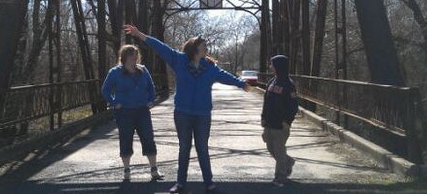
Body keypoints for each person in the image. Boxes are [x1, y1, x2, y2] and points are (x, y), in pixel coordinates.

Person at [124, 24, 250, 193]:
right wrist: (140, 35)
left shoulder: (210, 68)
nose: (207, 48)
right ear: (195, 48)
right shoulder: (179, 60)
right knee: (184, 147)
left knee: (202, 148)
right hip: (182, 113)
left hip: (203, 115)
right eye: (204, 45)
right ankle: (180, 183)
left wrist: (241, 83)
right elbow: (161, 47)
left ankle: (208, 182)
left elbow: (225, 76)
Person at [101, 44, 164, 181]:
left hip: (142, 111)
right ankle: (127, 170)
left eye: (136, 55)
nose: (134, 58)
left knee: (148, 138)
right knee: (125, 139)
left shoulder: (143, 70)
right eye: (131, 55)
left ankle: (154, 169)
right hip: (124, 112)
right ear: (124, 57)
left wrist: (151, 100)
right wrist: (113, 103)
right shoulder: (115, 72)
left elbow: (151, 87)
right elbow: (105, 90)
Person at [261, 55, 299, 187]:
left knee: (279, 149)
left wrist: (287, 121)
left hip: (281, 124)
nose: (270, 66)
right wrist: (263, 118)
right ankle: (288, 162)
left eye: (272, 64)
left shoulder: (288, 84)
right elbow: (266, 102)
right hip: (269, 122)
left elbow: (293, 106)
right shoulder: (272, 81)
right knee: (270, 147)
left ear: (279, 66)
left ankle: (280, 176)